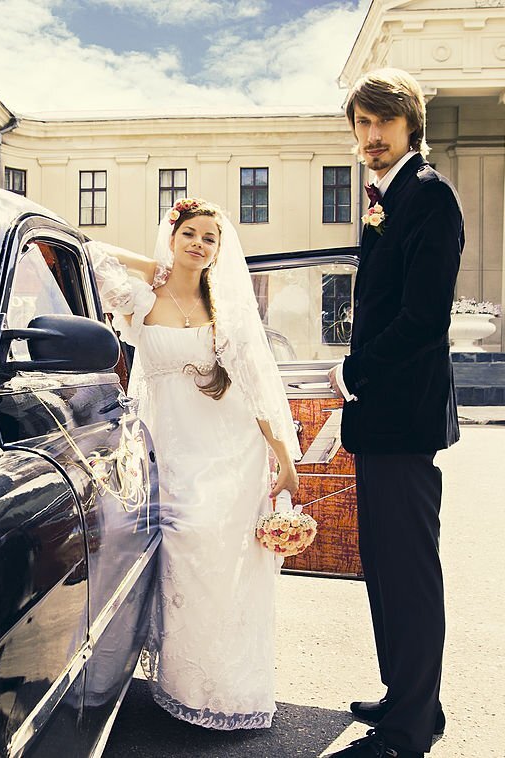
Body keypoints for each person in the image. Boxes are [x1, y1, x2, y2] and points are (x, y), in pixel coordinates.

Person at [86, 197, 301, 730]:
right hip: (167, 452)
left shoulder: (225, 312)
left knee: (215, 565)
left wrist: (284, 460)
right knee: (176, 561)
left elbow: (254, 387)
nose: (200, 244)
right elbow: (93, 252)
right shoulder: (139, 298)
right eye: (191, 233)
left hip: (229, 455)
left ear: (219, 251)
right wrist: (151, 264)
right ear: (173, 235)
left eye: (211, 238)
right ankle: (180, 683)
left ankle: (224, 691)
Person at [327, 68, 463, 758]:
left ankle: (412, 725)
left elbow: (423, 317)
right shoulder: (386, 198)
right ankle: (405, 693)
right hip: (380, 417)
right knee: (381, 563)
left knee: (408, 568)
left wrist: (354, 368)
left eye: (382, 122)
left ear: (410, 125)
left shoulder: (431, 198)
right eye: (361, 124)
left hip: (404, 418)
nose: (371, 136)